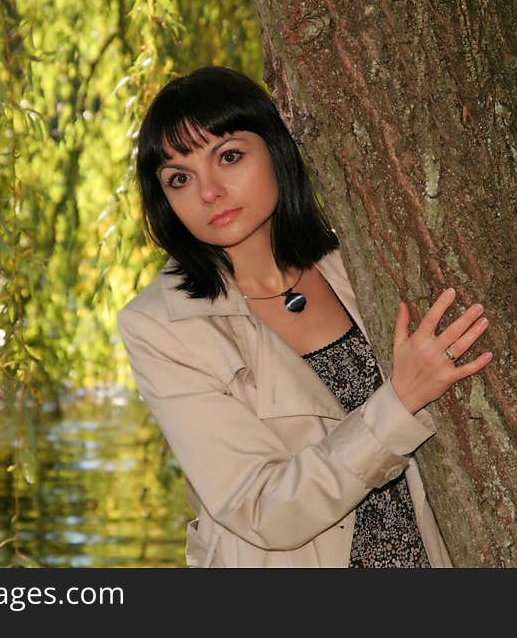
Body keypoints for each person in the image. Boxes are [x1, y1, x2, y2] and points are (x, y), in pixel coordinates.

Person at [116, 65, 493, 568]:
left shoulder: (361, 264)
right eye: (179, 178)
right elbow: (262, 509)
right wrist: (398, 403)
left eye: (228, 157)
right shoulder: (161, 327)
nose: (208, 192)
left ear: (276, 148)